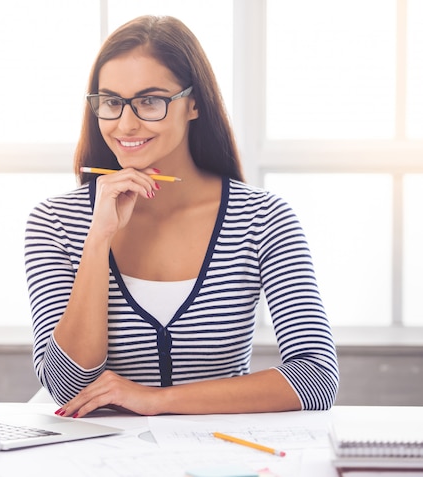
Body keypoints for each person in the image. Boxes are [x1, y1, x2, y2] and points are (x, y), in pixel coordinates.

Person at [24, 15, 339, 418]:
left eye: (150, 101)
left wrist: (157, 400)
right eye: (111, 102)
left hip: (220, 455)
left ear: (193, 104)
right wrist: (98, 238)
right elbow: (67, 387)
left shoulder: (264, 218)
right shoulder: (54, 221)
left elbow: (315, 377)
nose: (126, 123)